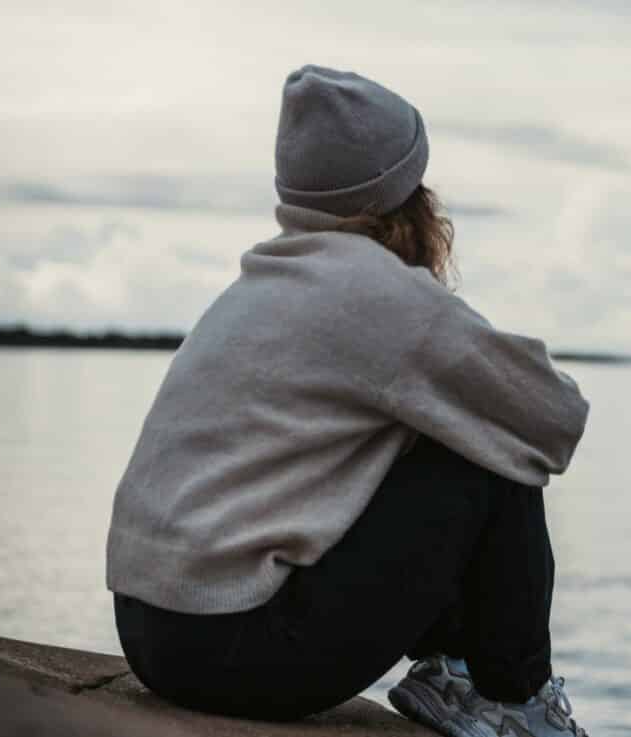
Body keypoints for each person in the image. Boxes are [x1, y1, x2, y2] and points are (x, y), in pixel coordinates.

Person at [106, 63, 591, 737]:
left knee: (441, 425)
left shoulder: (258, 281)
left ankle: (451, 671)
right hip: (235, 648)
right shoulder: (379, 296)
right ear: (403, 194)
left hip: (149, 632)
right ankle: (511, 697)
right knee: (491, 450)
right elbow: (553, 418)